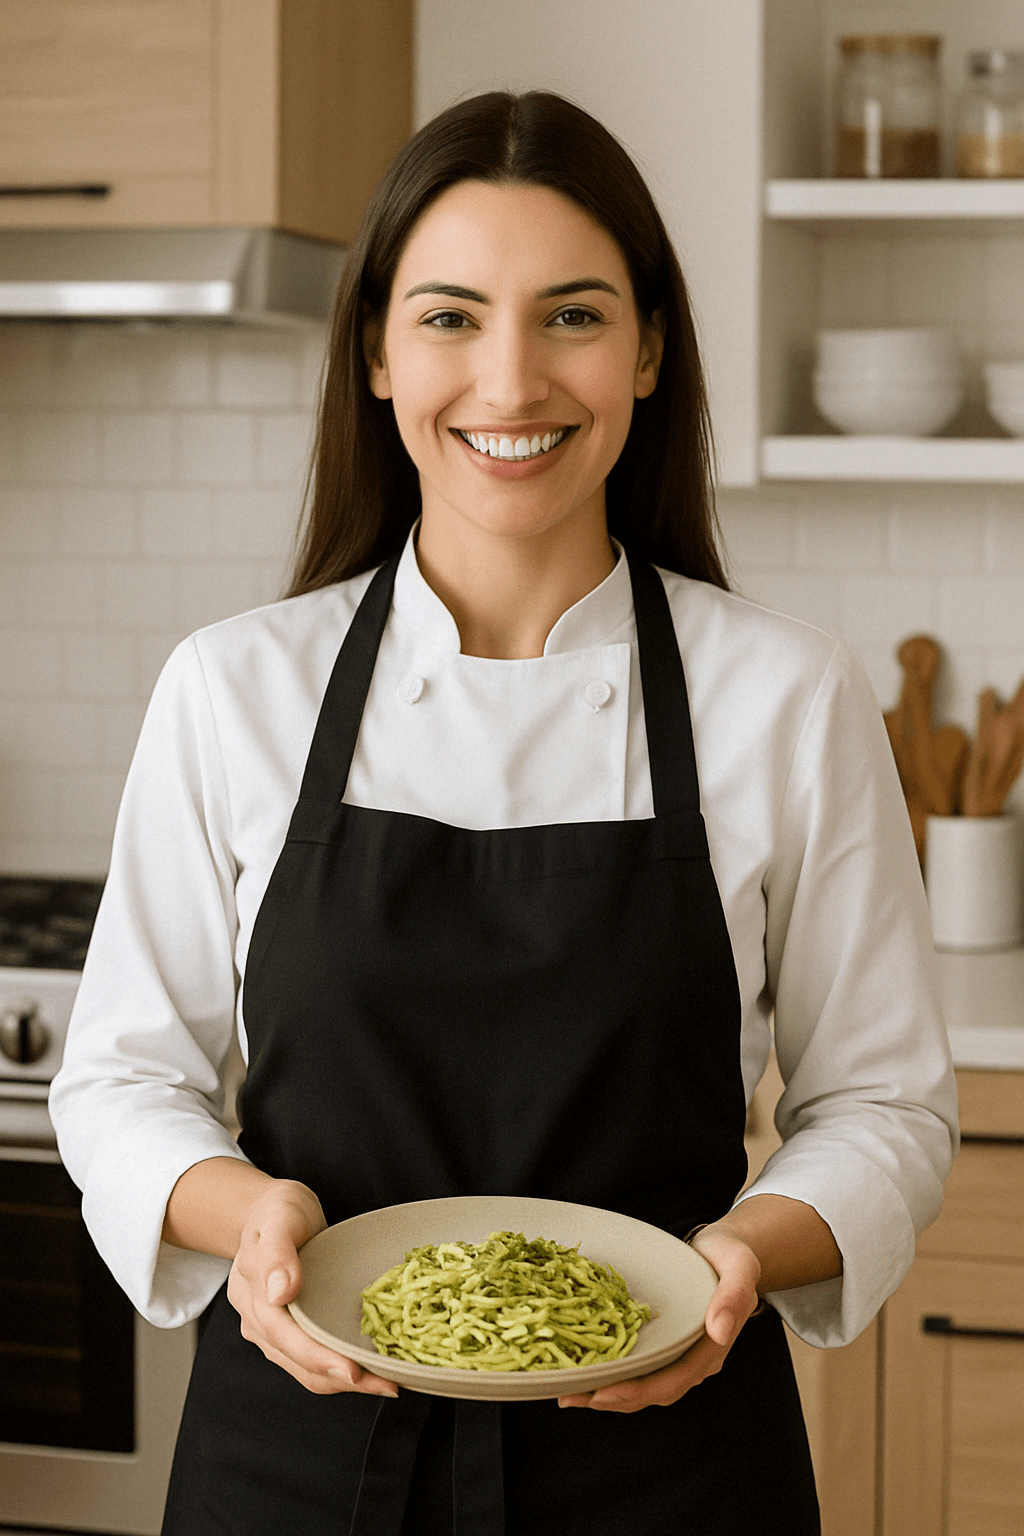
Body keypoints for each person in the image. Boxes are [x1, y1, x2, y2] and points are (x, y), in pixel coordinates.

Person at [50, 90, 958, 1534]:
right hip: (297, 1462)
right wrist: (254, 1223)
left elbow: (886, 1104)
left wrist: (736, 1261)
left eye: (575, 317)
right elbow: (117, 1085)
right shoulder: (235, 689)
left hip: (669, 1463)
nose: (512, 379)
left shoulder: (784, 694)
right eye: (453, 317)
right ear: (376, 350)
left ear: (651, 349)